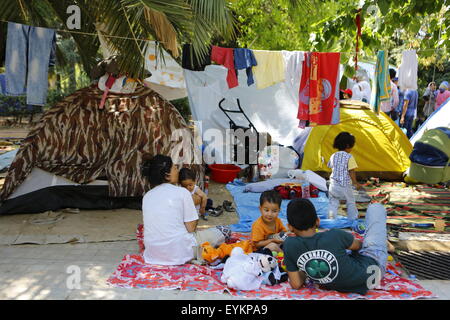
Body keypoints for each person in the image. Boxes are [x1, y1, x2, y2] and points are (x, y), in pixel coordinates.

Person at [283, 199, 388, 295]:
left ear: (290, 227)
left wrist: (304, 269)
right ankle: (382, 241)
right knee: (375, 209)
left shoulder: (289, 245)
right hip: (373, 273)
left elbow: (296, 284)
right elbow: (358, 246)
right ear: (318, 221)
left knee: (346, 251)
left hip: (360, 276)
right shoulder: (335, 235)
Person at [141, 154, 230, 265]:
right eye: (174, 168)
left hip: (153, 254)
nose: (177, 171)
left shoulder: (147, 196)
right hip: (179, 252)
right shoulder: (182, 192)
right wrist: (196, 204)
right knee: (225, 230)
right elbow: (191, 228)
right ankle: (194, 255)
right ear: (167, 175)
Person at [327, 132, 363, 221]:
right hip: (345, 185)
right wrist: (355, 183)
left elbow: (330, 167)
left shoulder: (333, 156)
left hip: (333, 185)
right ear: (348, 145)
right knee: (350, 202)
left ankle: (331, 217)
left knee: (333, 202)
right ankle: (353, 218)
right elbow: (351, 171)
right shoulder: (349, 157)